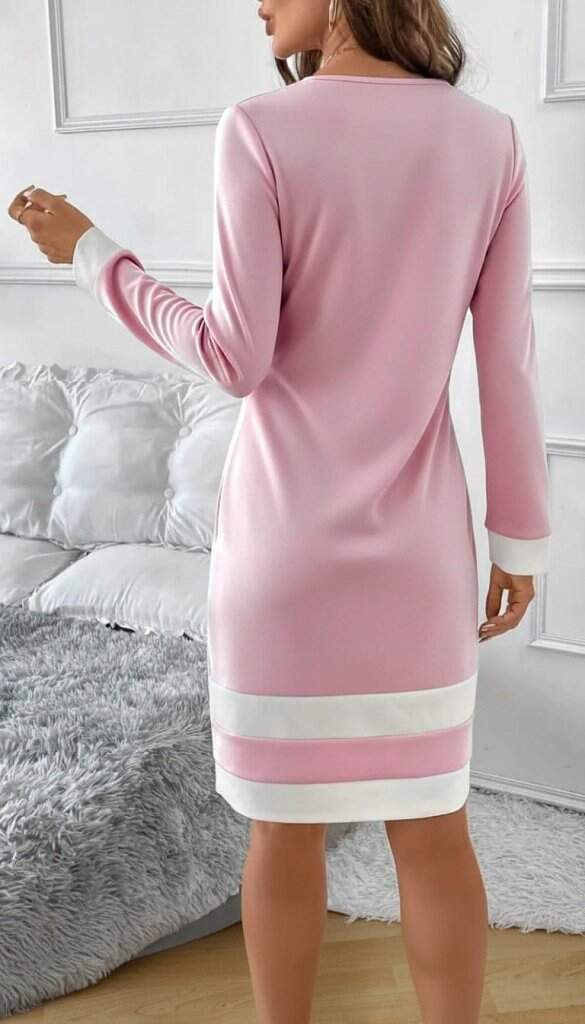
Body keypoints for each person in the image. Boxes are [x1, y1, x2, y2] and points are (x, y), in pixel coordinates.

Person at [8, 1, 552, 1021]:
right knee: (434, 829)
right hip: (419, 569)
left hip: (281, 564)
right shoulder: (489, 142)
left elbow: (233, 356)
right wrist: (519, 543)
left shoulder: (260, 130)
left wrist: (92, 253)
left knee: (280, 831)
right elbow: (506, 367)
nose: (256, 2)